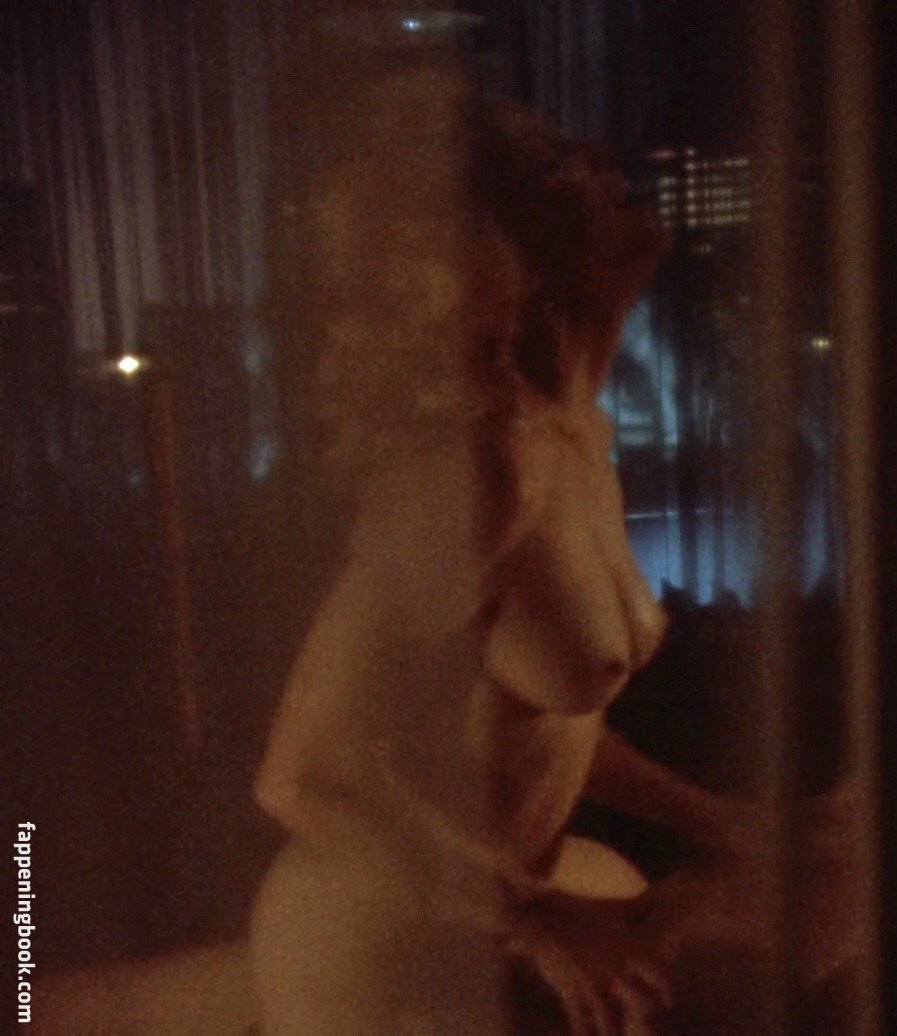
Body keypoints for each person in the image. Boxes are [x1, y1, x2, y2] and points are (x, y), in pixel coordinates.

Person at [249, 79, 745, 1036]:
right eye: (560, 172)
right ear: (501, 256)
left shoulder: (582, 436)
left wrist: (716, 817)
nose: (605, 164)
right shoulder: (483, 467)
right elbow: (301, 773)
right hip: (375, 945)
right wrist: (539, 920)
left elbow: (537, 726)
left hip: (485, 918)